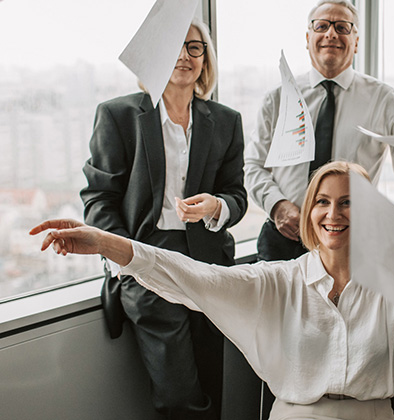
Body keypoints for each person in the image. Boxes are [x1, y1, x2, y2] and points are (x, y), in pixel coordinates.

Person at [33, 161, 394, 420]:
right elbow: (194, 278)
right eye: (324, 203)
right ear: (310, 214)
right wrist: (109, 243)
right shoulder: (276, 282)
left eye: (352, 203)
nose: (336, 215)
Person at [79, 20, 247, 419]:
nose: (184, 56)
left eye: (194, 47)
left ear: (205, 59)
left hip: (208, 264)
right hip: (147, 261)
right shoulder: (118, 115)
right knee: (178, 392)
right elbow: (99, 198)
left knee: (211, 377)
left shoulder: (225, 120)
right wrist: (127, 259)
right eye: (173, 45)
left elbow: (237, 196)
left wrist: (216, 207)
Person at [245, 0, 394, 262]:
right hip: (284, 237)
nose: (331, 34)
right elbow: (253, 166)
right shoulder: (277, 99)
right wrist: (278, 206)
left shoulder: (385, 100)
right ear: (308, 37)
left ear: (357, 41)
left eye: (342, 27)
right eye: (322, 26)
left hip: (352, 239)